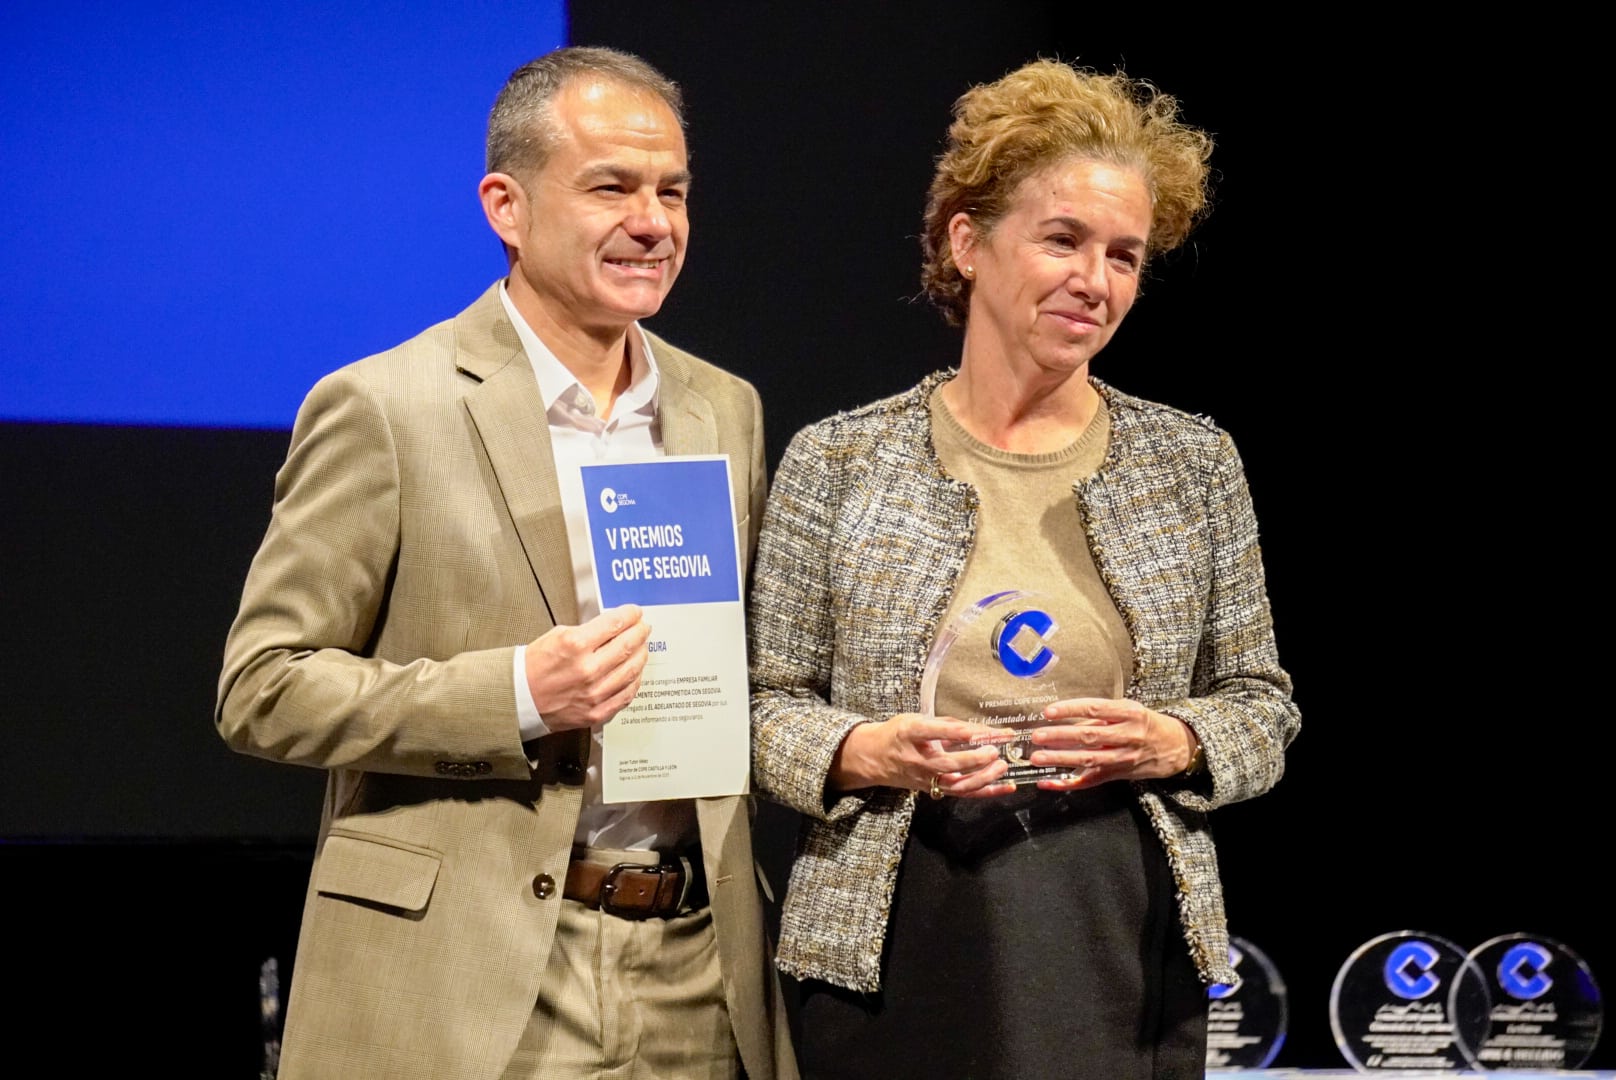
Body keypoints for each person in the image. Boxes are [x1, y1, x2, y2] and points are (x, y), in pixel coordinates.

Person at [217, 45, 794, 1080]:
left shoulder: (724, 408)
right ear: (506, 207)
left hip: (694, 971)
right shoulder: (386, 408)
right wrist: (519, 692)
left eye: (671, 191)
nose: (653, 223)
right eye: (610, 188)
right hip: (474, 977)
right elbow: (263, 689)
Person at [747, 58, 1300, 1079]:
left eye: (1124, 255)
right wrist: (866, 749)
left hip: (1117, 928)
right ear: (967, 242)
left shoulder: (1190, 465)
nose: (1095, 281)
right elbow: (761, 709)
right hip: (889, 934)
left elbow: (1261, 708)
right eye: (1062, 240)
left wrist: (1174, 739)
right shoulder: (839, 459)